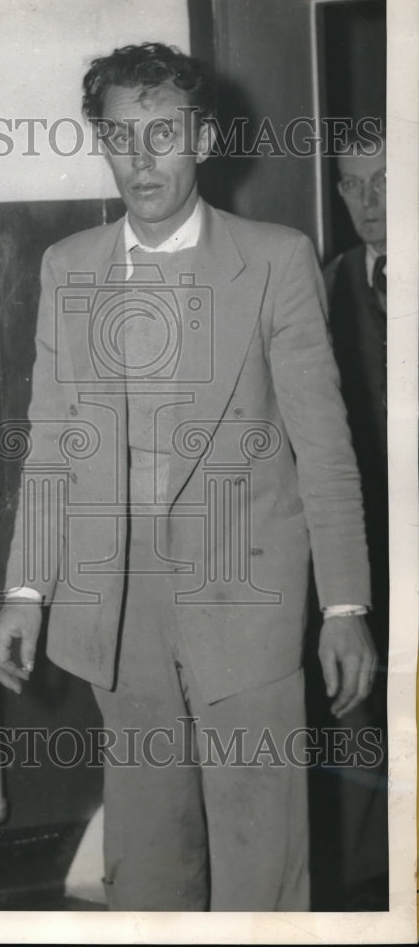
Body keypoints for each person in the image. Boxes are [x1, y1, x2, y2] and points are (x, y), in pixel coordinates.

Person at [0, 42, 377, 911]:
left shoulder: (275, 259)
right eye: (120, 136)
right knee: (148, 862)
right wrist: (25, 588)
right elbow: (54, 440)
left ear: (201, 136)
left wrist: (345, 607)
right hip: (116, 610)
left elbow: (323, 449)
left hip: (249, 600)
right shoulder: (68, 267)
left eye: (162, 132)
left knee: (262, 858)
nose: (141, 157)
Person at [320, 132, 389, 906]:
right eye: (350, 185)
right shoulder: (331, 280)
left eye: (382, 182)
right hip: (368, 540)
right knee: (363, 706)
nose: (365, 202)